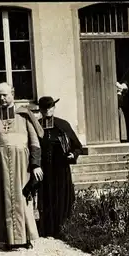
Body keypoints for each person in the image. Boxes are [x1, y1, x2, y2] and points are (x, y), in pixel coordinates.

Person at [0, 82, 44, 250]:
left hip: (22, 165)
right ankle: (8, 240)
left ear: (13, 94)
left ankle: (26, 238)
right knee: (2, 199)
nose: (2, 98)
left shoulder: (24, 116)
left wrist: (35, 165)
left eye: (5, 94)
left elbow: (35, 143)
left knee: (23, 199)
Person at [36, 96, 83, 238]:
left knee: (60, 196)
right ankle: (46, 229)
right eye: (44, 108)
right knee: (46, 197)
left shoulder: (63, 125)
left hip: (60, 167)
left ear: (54, 108)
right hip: (44, 168)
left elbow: (78, 146)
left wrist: (73, 155)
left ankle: (62, 229)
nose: (47, 111)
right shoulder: (36, 125)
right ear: (40, 110)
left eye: (50, 107)